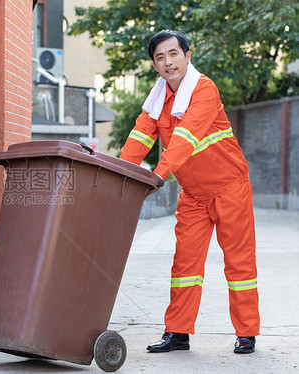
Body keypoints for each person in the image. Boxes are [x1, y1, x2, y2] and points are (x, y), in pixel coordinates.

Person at [119, 30, 260, 354]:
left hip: (230, 188)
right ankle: (178, 333)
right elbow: (141, 136)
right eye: (159, 57)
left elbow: (185, 137)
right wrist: (122, 173)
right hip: (194, 195)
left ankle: (247, 333)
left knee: (239, 264)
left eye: (173, 54)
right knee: (185, 266)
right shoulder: (158, 101)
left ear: (187, 56)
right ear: (154, 64)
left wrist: (157, 175)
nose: (168, 62)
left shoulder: (204, 89)